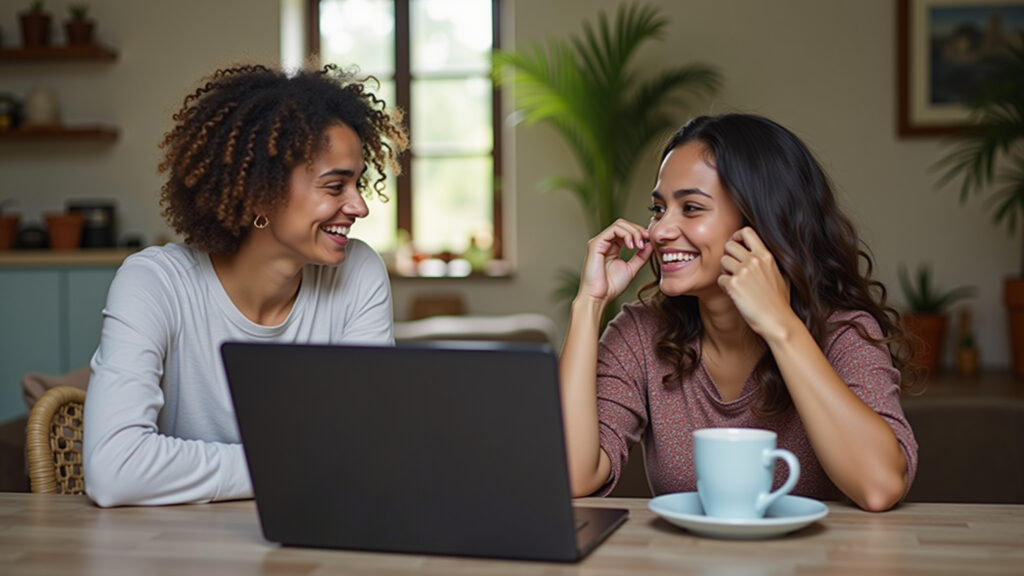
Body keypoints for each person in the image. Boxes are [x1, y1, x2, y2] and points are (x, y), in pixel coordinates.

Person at [83, 64, 408, 507]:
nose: (360, 206)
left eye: (358, 182)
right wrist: (290, 467)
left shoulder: (358, 274)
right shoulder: (153, 283)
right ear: (260, 194)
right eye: (335, 186)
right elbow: (114, 470)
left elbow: (368, 451)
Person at [559, 113, 918, 512]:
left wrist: (781, 327)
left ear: (762, 222)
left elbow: (880, 486)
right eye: (658, 209)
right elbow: (573, 475)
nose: (659, 232)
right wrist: (588, 304)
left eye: (691, 208)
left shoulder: (842, 332)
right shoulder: (641, 334)